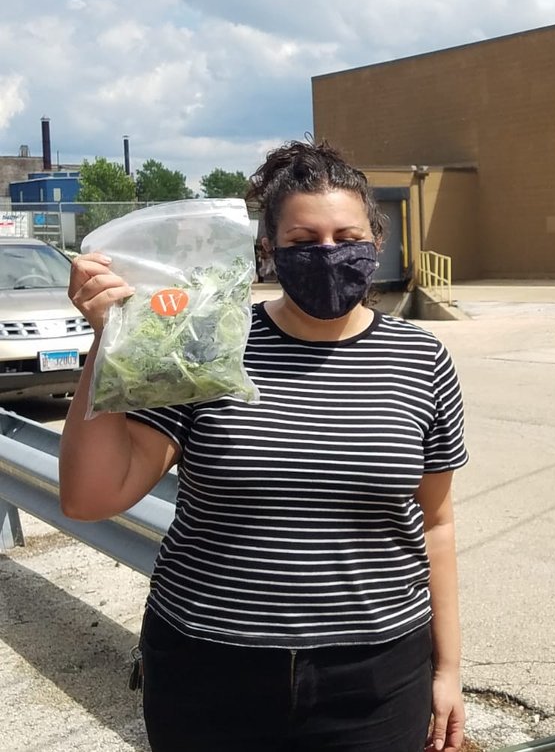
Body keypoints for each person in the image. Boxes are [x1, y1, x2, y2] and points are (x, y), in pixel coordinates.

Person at [60, 139, 468, 752]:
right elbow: (91, 496)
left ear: (377, 244)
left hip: (376, 676)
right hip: (207, 665)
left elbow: (435, 522)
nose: (328, 254)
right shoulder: (206, 344)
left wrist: (448, 671)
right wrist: (108, 341)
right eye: (304, 242)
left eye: (347, 237)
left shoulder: (421, 359)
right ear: (268, 250)